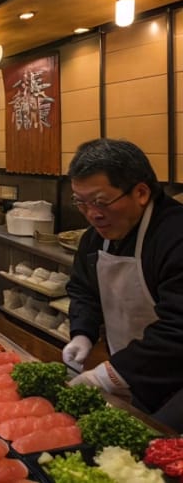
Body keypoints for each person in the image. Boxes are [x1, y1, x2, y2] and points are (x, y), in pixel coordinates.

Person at [62, 139, 183, 430]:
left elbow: (178, 328)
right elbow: (83, 289)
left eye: (101, 202)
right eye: (81, 202)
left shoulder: (175, 236)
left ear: (141, 192)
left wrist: (108, 375)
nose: (92, 213)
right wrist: (83, 333)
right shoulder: (96, 236)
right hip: (137, 365)